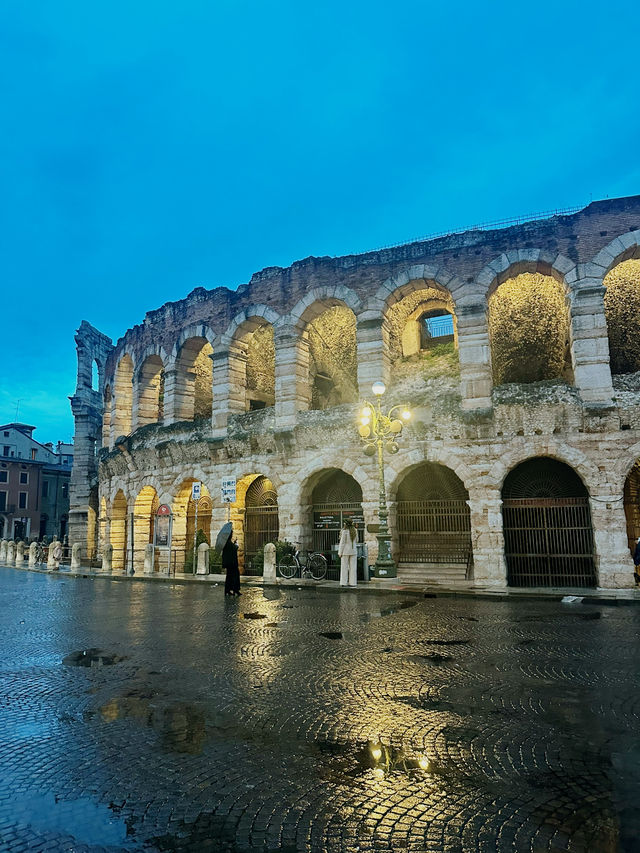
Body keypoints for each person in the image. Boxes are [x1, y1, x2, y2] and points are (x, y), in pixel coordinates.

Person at [338, 518, 358, 588]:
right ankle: (353, 582)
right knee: (353, 567)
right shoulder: (355, 530)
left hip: (345, 551)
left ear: (345, 524)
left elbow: (342, 543)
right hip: (353, 551)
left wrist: (340, 552)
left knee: (344, 567)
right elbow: (357, 540)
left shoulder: (344, 531)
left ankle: (344, 582)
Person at [222, 527, 241, 596]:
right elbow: (233, 549)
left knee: (229, 576)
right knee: (235, 576)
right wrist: (236, 545)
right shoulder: (227, 543)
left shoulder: (226, 542)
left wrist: (234, 544)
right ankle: (235, 589)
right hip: (232, 563)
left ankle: (228, 590)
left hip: (229, 563)